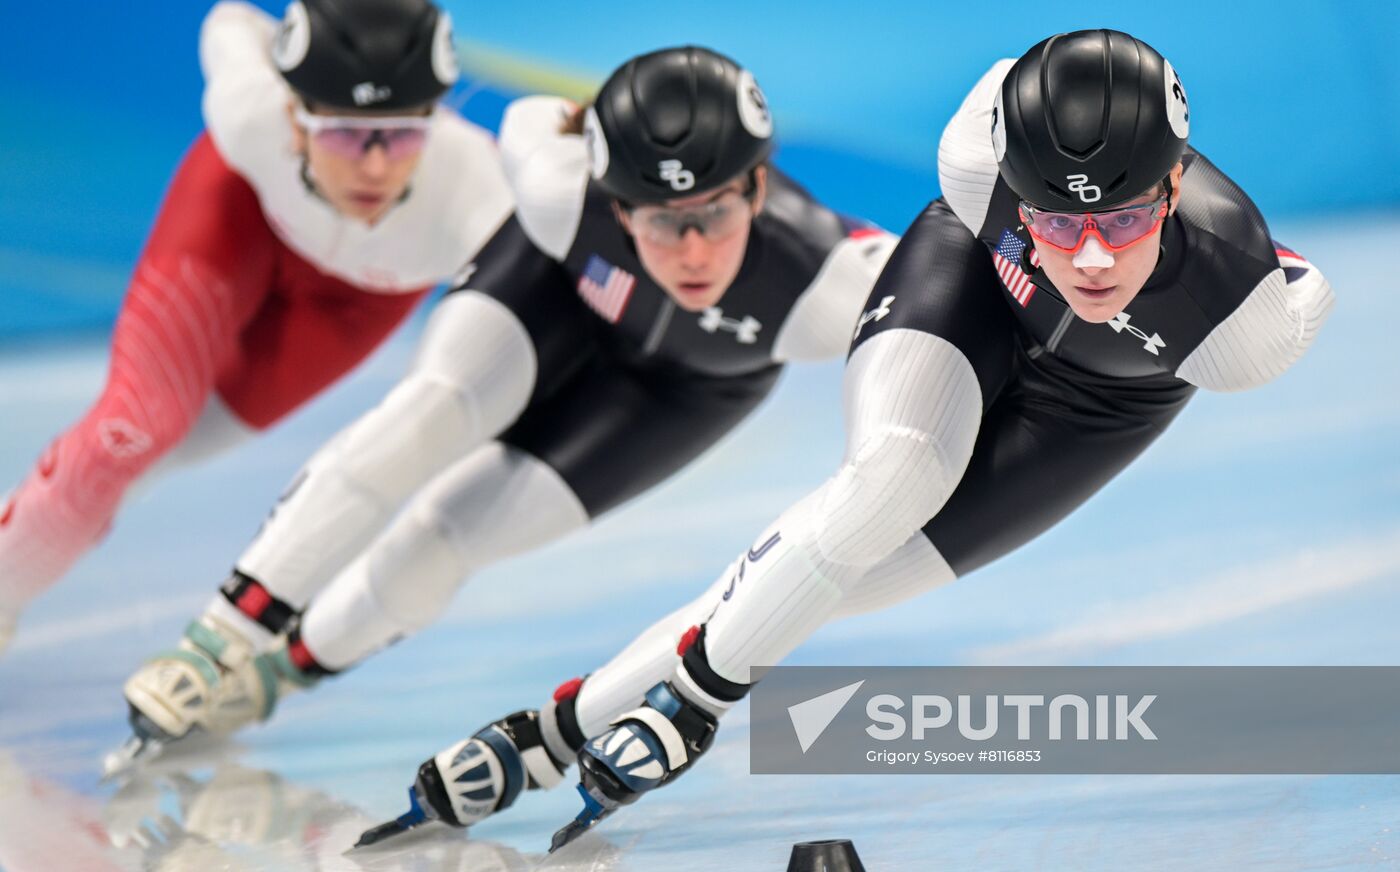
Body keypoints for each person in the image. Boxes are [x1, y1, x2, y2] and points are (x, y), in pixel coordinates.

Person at [382, 30, 1335, 846]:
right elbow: (1011, 83)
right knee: (889, 477)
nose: (1090, 258)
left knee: (842, 581)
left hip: (1099, 405)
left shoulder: (1242, 326)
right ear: (1013, 185)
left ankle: (557, 726)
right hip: (972, 282)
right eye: (1055, 215)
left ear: (1175, 186)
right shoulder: (974, 163)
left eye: (1123, 219)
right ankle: (692, 702)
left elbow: (1298, 285)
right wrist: (705, 694)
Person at [113, 46, 899, 765]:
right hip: (551, 291)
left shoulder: (827, 284)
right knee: (431, 411)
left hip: (689, 386)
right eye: (662, 221)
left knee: (450, 536)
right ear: (616, 206)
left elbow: (943, 301)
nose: (693, 252)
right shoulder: (558, 189)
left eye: (717, 215)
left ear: (759, 188)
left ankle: (276, 675)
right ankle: (216, 641)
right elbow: (531, 119)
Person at [0, 0, 512, 656]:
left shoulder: (480, 193)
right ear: (292, 118)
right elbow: (230, 20)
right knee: (129, 434)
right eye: (343, 135)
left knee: (156, 462)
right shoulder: (251, 110)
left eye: (404, 135)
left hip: (355, 304)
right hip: (236, 218)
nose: (376, 168)